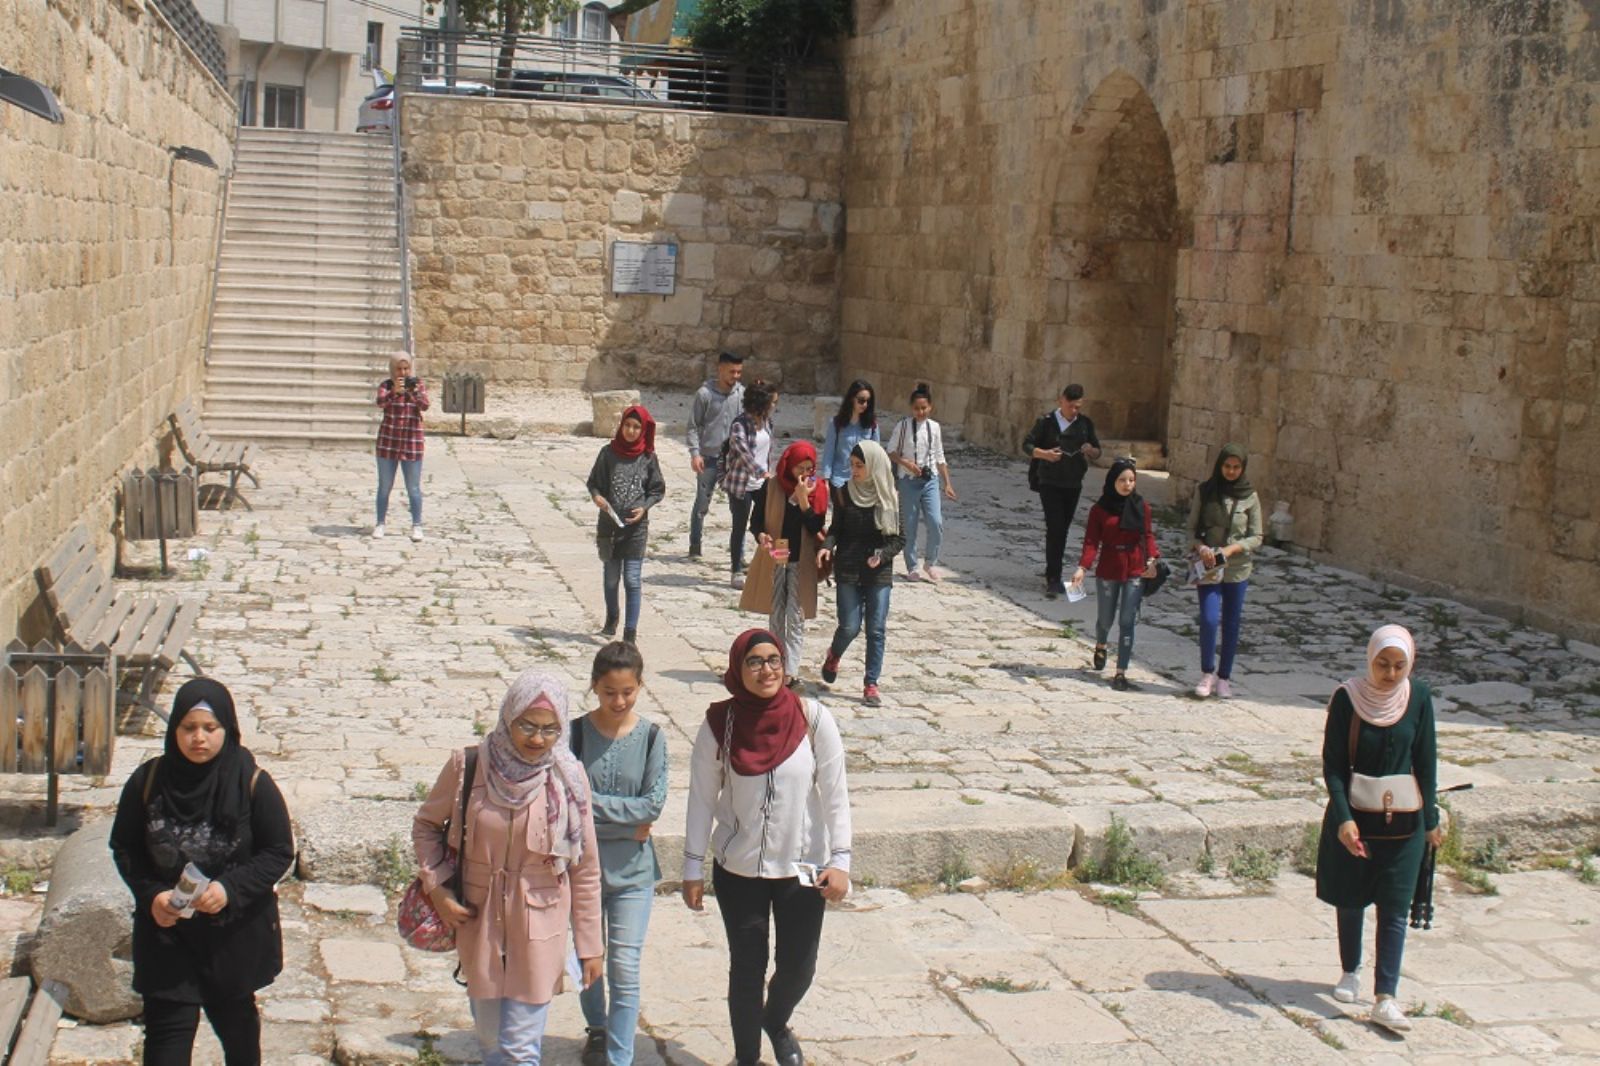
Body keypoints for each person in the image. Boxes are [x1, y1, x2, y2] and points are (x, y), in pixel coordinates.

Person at [413, 671, 604, 1066]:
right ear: (508, 717)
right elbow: (426, 827)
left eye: (550, 729)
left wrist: (590, 948)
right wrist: (439, 889)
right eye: (527, 726)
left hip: (540, 922)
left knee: (520, 1050)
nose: (537, 739)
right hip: (479, 920)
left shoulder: (568, 778)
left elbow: (584, 869)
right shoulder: (468, 766)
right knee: (491, 1044)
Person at [682, 629, 852, 1066]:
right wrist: (692, 868)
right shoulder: (720, 724)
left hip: (803, 869)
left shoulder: (813, 719)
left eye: (774, 659)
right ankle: (746, 1058)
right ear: (737, 669)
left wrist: (841, 861)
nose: (766, 670)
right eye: (754, 662)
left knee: (799, 967)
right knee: (746, 969)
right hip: (739, 869)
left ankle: (775, 1021)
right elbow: (701, 798)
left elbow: (835, 794)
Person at [109, 679, 294, 1066]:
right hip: (168, 936)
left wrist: (229, 889)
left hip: (232, 937)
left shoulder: (252, 783)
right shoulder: (148, 782)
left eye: (210, 728)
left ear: (227, 729)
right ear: (174, 729)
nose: (199, 738)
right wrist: (152, 895)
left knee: (238, 1036)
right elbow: (125, 847)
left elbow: (277, 851)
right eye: (188, 727)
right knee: (166, 1042)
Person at [1315, 625, 1441, 1033]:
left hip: (1404, 822)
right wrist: (1344, 819)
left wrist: (1430, 822)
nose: (1390, 674)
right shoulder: (1348, 698)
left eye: (1399, 666)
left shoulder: (1418, 697)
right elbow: (1334, 765)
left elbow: (1426, 762)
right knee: (1351, 898)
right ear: (1370, 660)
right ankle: (1350, 969)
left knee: (1395, 907)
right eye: (1383, 664)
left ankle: (1386, 997)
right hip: (1356, 816)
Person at [573, 643, 668, 1066]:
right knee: (588, 959)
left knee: (625, 967)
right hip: (583, 871)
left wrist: (594, 809)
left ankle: (620, 1057)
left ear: (640, 686)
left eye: (627, 692)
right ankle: (597, 1028)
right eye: (610, 692)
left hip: (634, 873)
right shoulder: (574, 735)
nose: (618, 701)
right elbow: (566, 801)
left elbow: (653, 805)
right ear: (595, 686)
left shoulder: (652, 737)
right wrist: (628, 824)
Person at [818, 441, 904, 707]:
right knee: (850, 626)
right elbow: (836, 528)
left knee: (876, 629)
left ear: (874, 466)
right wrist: (827, 546)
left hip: (878, 572)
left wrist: (882, 555)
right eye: (852, 465)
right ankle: (834, 655)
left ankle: (871, 684)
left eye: (859, 466)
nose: (854, 471)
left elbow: (899, 539)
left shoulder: (889, 496)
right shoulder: (844, 493)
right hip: (848, 568)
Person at [741, 441, 829, 685]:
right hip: (777, 557)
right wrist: (761, 535)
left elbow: (816, 525)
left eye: (809, 469)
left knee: (796, 615)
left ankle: (791, 671)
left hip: (802, 560)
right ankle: (776, 662)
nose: (804, 473)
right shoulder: (772, 486)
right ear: (789, 465)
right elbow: (756, 521)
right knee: (777, 612)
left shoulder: (817, 489)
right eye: (800, 468)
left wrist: (803, 500)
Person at [1071, 458, 1159, 691]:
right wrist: (1082, 567)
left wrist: (1152, 560)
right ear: (1112, 481)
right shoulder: (1099, 510)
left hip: (1135, 568)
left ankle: (1121, 671)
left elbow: (1148, 535)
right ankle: (1101, 644)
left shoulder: (1141, 507)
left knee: (1127, 620)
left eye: (1131, 480)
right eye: (1122, 480)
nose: (1127, 484)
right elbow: (1092, 542)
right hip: (1109, 568)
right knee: (1106, 618)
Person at [1187, 443, 1263, 698]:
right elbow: (1191, 529)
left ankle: (1224, 677)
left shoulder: (1250, 496)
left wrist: (1232, 549)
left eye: (1236, 467)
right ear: (1219, 465)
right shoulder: (1206, 492)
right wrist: (1201, 547)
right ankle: (1207, 672)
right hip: (1209, 566)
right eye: (1227, 466)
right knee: (1209, 619)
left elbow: (1257, 535)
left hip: (1237, 568)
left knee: (1231, 622)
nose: (1231, 471)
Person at [587, 405, 667, 645]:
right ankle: (612, 618)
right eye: (627, 425)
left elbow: (657, 489)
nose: (631, 431)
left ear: (643, 431)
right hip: (609, 527)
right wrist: (597, 497)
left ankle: (630, 633)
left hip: (636, 530)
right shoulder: (607, 454)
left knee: (632, 579)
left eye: (636, 427)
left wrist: (644, 507)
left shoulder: (648, 458)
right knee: (611, 578)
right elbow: (594, 483)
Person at [1023, 384, 1101, 597]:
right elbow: (1027, 445)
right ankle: (1053, 577)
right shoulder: (1046, 422)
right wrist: (1045, 454)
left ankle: (1054, 569)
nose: (1074, 411)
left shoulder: (1084, 424)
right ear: (1061, 401)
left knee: (1063, 529)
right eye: (1070, 406)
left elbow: (1097, 451)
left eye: (1078, 407)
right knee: (1055, 527)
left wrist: (1090, 450)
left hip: (1073, 483)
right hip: (1050, 482)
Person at [886, 382, 957, 582]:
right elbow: (891, 451)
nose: (920, 412)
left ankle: (930, 562)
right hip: (908, 481)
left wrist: (947, 483)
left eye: (924, 408)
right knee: (909, 526)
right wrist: (906, 463)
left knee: (936, 522)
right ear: (911, 408)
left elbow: (940, 457)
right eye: (917, 408)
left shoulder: (935, 428)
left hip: (929, 480)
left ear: (930, 407)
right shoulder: (902, 427)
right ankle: (912, 566)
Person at [718, 382, 777, 590]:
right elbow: (743, 454)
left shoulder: (768, 422)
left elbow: (767, 451)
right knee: (740, 526)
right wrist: (761, 472)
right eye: (773, 402)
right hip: (741, 484)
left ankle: (768, 565)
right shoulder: (739, 425)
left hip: (762, 485)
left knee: (765, 525)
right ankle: (736, 570)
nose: (774, 406)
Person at [687, 352, 746, 560]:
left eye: (739, 372)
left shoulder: (742, 395)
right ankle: (695, 545)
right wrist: (695, 454)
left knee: (739, 509)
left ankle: (738, 554)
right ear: (720, 369)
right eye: (731, 371)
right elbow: (693, 426)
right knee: (702, 503)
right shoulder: (704, 395)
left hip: (734, 461)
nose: (735, 376)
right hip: (709, 458)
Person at [374, 351, 430, 541]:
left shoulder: (417, 384)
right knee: (384, 486)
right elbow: (380, 403)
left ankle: (417, 525)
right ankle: (380, 523)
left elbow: (425, 405)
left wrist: (412, 393)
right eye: (399, 369)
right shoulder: (386, 386)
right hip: (388, 443)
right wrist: (394, 392)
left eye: (406, 368)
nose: (403, 373)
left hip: (411, 443)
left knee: (413, 487)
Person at [819, 379, 880, 488]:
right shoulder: (836, 423)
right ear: (852, 398)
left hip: (863, 482)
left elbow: (876, 455)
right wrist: (826, 479)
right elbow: (829, 453)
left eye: (868, 401)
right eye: (861, 400)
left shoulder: (872, 425)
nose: (865, 404)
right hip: (839, 481)